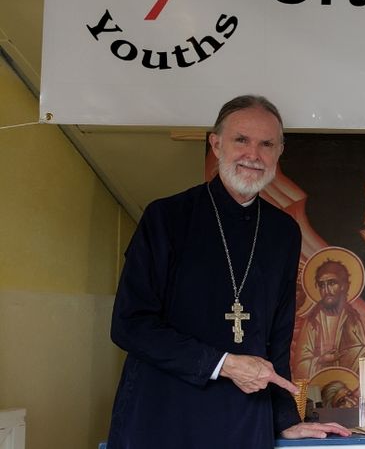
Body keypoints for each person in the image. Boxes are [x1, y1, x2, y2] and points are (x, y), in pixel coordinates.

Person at [107, 95, 351, 447]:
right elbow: (129, 325)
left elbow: (277, 339)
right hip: (162, 414)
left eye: (266, 144)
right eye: (241, 140)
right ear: (216, 144)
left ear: (279, 153)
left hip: (242, 421)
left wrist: (285, 419)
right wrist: (224, 364)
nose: (253, 155)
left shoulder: (282, 232)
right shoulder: (167, 218)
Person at [293, 259, 365, 378]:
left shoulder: (351, 318)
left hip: (348, 383)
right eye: (322, 285)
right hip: (318, 386)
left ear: (343, 286)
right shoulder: (313, 320)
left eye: (332, 283)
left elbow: (361, 356)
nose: (326, 290)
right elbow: (300, 366)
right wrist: (321, 360)